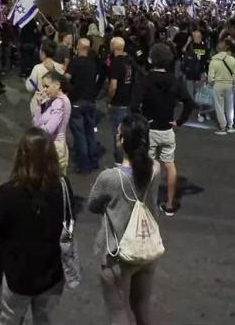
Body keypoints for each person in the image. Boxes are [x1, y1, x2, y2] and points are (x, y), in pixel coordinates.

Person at [0, 127, 74, 325]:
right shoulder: (63, 186)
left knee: (9, 318)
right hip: (52, 272)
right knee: (44, 319)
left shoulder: (9, 191)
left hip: (18, 273)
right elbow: (69, 218)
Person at [88, 114, 160, 325]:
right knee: (142, 306)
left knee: (118, 312)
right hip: (147, 248)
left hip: (118, 254)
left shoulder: (111, 177)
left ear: (122, 140)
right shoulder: (155, 169)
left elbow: (93, 205)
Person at [131, 43, 195, 216]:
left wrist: (142, 120)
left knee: (149, 165)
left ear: (152, 59)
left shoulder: (146, 79)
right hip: (167, 129)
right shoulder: (174, 80)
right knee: (169, 165)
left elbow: (134, 105)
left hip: (150, 128)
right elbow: (189, 102)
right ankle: (170, 204)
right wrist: (180, 121)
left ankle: (144, 203)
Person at [66, 38, 99, 174]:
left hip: (77, 102)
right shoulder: (93, 64)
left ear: (79, 47)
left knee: (79, 135)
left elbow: (66, 78)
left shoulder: (74, 63)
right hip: (90, 101)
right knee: (89, 132)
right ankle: (93, 160)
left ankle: (84, 165)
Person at [33, 71, 71, 175]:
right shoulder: (52, 101)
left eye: (47, 86)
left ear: (57, 85)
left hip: (55, 149)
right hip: (49, 146)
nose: (44, 90)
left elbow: (49, 129)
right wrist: (38, 106)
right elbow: (37, 124)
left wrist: (40, 127)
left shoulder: (60, 102)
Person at [109, 37, 134, 167]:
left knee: (118, 135)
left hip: (118, 103)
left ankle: (119, 163)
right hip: (128, 101)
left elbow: (113, 85)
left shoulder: (116, 62)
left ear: (114, 47)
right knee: (127, 133)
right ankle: (127, 160)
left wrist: (109, 98)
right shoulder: (129, 60)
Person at [26, 39, 65, 115]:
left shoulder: (37, 68)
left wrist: (27, 81)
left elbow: (30, 87)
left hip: (40, 104)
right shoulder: (60, 67)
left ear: (43, 53)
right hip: (55, 104)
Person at [208, 38, 235, 135]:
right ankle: (230, 126)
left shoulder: (214, 60)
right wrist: (234, 84)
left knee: (219, 107)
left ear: (217, 49)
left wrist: (212, 83)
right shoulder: (232, 59)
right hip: (229, 84)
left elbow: (210, 77)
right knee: (230, 106)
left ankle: (222, 127)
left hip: (218, 84)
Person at [182, 29, 209, 102]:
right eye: (198, 36)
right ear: (193, 37)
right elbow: (183, 51)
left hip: (199, 72)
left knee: (198, 91)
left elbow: (206, 59)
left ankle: (196, 105)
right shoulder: (191, 46)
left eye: (200, 36)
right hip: (191, 72)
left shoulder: (203, 46)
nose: (199, 38)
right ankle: (193, 104)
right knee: (192, 91)